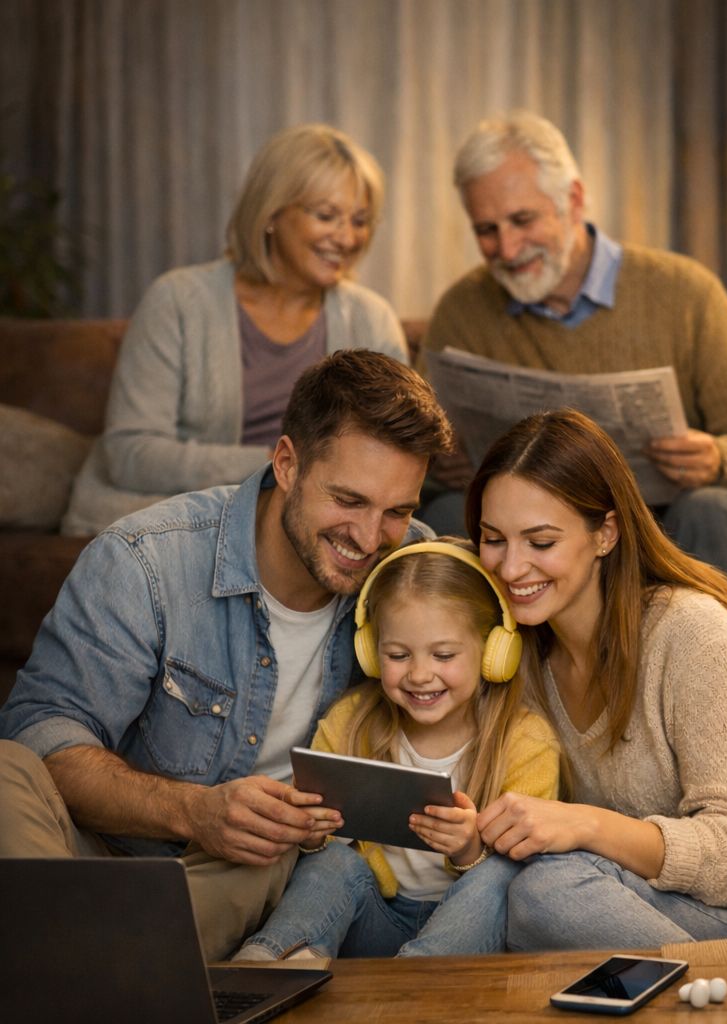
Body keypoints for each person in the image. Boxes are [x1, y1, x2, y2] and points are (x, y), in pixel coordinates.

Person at [0, 350, 454, 959]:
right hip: (99, 854)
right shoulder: (144, 560)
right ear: (287, 464)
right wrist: (194, 812)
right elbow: (41, 732)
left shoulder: (413, 572)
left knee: (277, 856)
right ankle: (95, 960)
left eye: (397, 511)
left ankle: (59, 960)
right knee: (5, 766)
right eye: (348, 500)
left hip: (249, 878)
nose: (370, 538)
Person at [417, 110, 727, 622]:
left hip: (678, 516)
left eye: (523, 220)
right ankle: (487, 677)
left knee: (712, 509)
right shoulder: (462, 310)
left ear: (574, 200)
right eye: (487, 230)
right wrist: (441, 462)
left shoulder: (684, 291)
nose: (507, 249)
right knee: (448, 512)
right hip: (547, 527)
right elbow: (415, 455)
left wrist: (717, 460)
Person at [463, 408, 727, 950]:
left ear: (605, 534)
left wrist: (587, 825)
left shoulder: (694, 633)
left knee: (546, 891)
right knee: (500, 885)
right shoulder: (517, 649)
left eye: (541, 543)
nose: (510, 569)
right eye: (493, 539)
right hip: (624, 891)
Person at [63, 123, 407, 536]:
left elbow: (398, 448)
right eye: (326, 216)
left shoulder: (372, 318)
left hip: (314, 527)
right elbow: (129, 452)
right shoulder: (177, 301)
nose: (348, 238)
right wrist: (278, 464)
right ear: (271, 214)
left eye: (360, 220)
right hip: (181, 523)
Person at [234, 538, 559, 960]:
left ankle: (421, 980)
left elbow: (529, 871)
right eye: (398, 655)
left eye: (443, 655)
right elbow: (320, 844)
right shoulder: (349, 722)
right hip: (376, 919)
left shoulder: (525, 741)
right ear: (371, 653)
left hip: (467, 933)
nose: (420, 675)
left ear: (494, 652)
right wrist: (311, 836)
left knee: (498, 876)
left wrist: (468, 850)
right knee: (332, 863)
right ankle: (273, 959)